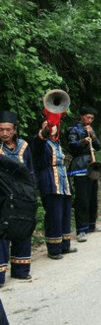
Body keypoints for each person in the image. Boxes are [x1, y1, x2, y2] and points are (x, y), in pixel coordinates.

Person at [31, 118, 77, 260]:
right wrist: (43, 132)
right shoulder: (40, 142)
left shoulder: (57, 143)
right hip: (50, 181)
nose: (51, 128)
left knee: (65, 213)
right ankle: (54, 248)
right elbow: (38, 145)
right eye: (48, 125)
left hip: (62, 181)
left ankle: (64, 245)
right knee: (54, 215)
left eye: (54, 126)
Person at [0, 111, 34, 284]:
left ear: (14, 129)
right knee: (2, 234)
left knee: (22, 228)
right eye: (1, 130)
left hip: (21, 197)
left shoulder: (24, 146)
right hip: (2, 199)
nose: (4, 133)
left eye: (8, 130)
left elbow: (30, 171)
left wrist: (32, 194)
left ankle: (20, 270)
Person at [67, 106, 101, 242]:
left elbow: (98, 146)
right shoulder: (74, 129)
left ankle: (92, 225)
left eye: (92, 118)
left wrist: (92, 136)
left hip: (92, 165)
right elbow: (71, 146)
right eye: (87, 117)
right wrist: (82, 142)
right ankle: (81, 230)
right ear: (81, 116)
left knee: (93, 195)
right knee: (82, 199)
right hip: (80, 166)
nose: (89, 120)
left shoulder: (91, 130)